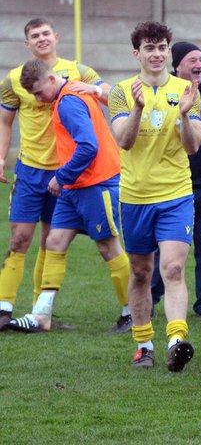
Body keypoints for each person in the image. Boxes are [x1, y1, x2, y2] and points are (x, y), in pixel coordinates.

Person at [1, 18, 110, 331]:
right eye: (34, 35)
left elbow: (106, 93)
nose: (41, 38)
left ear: (56, 37)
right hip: (29, 170)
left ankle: (38, 313)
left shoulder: (78, 71)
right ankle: (3, 307)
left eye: (46, 33)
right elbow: (5, 122)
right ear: (27, 44)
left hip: (63, 173)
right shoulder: (13, 79)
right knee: (19, 238)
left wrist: (96, 88)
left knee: (51, 241)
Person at [109, 21, 201, 372]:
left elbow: (193, 146)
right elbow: (125, 141)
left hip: (176, 194)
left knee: (174, 268)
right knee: (140, 271)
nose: (157, 54)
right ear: (137, 54)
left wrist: (183, 116)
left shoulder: (186, 89)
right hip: (135, 196)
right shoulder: (121, 91)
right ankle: (143, 343)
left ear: (169, 51)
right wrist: (136, 108)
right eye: (150, 48)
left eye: (162, 47)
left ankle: (177, 340)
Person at [148, 43, 201, 318]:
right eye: (191, 60)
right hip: (173, 188)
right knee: (164, 250)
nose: (198, 64)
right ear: (177, 66)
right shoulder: (167, 92)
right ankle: (150, 298)